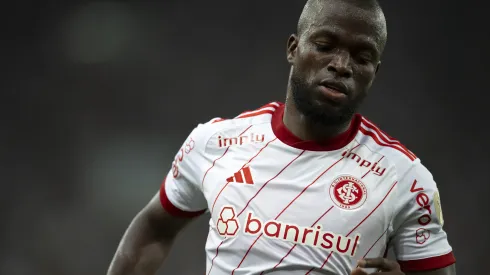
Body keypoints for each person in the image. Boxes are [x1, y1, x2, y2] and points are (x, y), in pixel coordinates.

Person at [107, 0, 457, 274]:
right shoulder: (213, 144)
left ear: (374, 72)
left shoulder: (404, 178)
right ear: (293, 48)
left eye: (362, 56)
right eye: (325, 45)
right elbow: (154, 227)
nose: (341, 64)